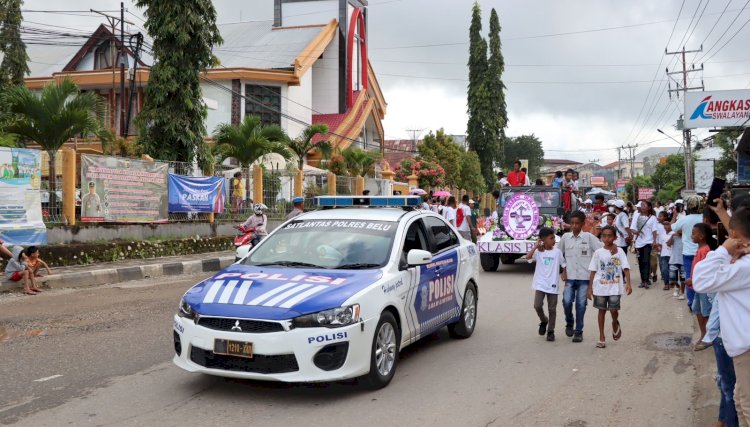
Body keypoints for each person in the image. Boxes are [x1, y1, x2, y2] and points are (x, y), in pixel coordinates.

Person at [693, 207, 750, 427]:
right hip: (742, 345)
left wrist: (723, 251)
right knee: (739, 400)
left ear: (733, 234)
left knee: (746, 405)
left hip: (746, 348)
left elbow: (701, 280)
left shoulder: (744, 267)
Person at [559, 211, 603, 342]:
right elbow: (558, 254)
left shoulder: (589, 237)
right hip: (570, 277)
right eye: (572, 223)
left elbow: (600, 250)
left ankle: (579, 331)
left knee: (581, 304)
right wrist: (563, 269)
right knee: (566, 301)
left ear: (583, 224)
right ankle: (569, 322)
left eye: (577, 223)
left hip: (585, 277)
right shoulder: (565, 238)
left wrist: (612, 248)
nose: (574, 226)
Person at [587, 226, 632, 349]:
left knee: (614, 310)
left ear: (615, 238)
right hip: (600, 287)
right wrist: (590, 288)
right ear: (601, 237)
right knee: (601, 311)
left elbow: (626, 268)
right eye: (604, 236)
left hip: (615, 287)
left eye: (610, 236)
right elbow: (592, 270)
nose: (607, 238)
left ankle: (614, 322)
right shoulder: (598, 253)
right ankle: (601, 337)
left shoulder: (619, 252)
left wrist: (628, 283)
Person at [526, 227, 566, 342]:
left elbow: (563, 265)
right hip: (540, 284)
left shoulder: (557, 252)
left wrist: (564, 274)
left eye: (554, 237)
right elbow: (528, 257)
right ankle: (544, 320)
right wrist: (535, 246)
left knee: (552, 309)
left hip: (552, 284)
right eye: (551, 238)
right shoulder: (538, 252)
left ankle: (550, 331)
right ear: (543, 240)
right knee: (537, 305)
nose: (553, 240)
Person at [672, 195, 705, 308]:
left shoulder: (684, 219)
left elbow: (673, 228)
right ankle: (704, 303)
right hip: (703, 252)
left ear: (689, 206)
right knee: (703, 277)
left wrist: (675, 214)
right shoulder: (705, 218)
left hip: (688, 254)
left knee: (689, 278)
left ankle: (691, 303)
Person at [686, 223, 715, 351]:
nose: (691, 235)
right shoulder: (700, 249)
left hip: (704, 288)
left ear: (702, 236)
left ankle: (710, 337)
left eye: (693, 233)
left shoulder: (706, 251)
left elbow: (706, 271)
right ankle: (704, 334)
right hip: (698, 287)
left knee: (706, 312)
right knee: (697, 309)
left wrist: (692, 279)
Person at [630, 200, 659, 289]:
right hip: (639, 243)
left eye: (644, 205)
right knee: (641, 262)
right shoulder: (637, 216)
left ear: (649, 207)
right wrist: (636, 232)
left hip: (648, 242)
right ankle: (643, 280)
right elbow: (632, 228)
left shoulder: (652, 218)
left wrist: (654, 241)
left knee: (646, 261)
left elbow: (654, 230)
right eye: (641, 205)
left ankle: (646, 280)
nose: (642, 207)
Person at [668, 226, 686, 299]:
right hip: (674, 259)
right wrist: (672, 236)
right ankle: (677, 288)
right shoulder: (673, 235)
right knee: (672, 278)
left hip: (683, 260)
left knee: (683, 278)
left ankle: (682, 293)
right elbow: (668, 244)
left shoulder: (686, 237)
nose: (680, 231)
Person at [657, 212, 673, 291]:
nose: (666, 226)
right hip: (663, 254)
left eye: (667, 224)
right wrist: (659, 247)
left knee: (672, 269)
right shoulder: (662, 235)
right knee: (664, 269)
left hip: (672, 255)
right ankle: (666, 284)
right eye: (665, 225)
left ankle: (671, 282)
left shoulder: (673, 234)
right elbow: (659, 244)